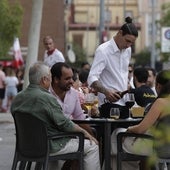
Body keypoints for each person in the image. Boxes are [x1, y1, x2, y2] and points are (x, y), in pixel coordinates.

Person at [10, 62, 101, 170]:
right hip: (50, 145)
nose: (51, 79)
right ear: (44, 79)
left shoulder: (17, 98)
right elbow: (64, 123)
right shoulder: (47, 98)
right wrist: (86, 134)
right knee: (92, 147)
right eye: (50, 77)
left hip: (25, 146)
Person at [111, 69, 170, 170]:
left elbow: (140, 129)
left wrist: (129, 129)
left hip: (157, 148)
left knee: (116, 134)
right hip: (165, 147)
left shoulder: (161, 102)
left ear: (159, 86)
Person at [87, 17, 138, 119]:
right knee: (113, 134)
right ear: (120, 33)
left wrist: (127, 84)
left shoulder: (127, 50)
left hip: (125, 103)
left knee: (125, 134)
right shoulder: (103, 50)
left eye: (132, 43)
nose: (128, 45)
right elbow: (91, 78)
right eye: (127, 41)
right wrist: (107, 92)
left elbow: (122, 73)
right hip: (108, 105)